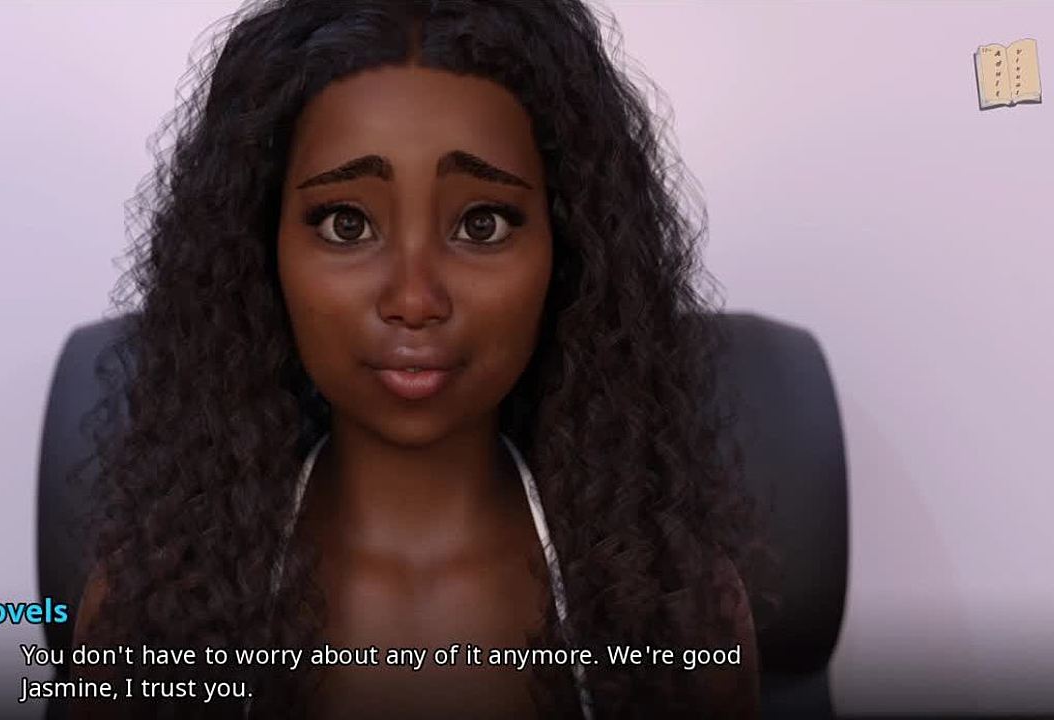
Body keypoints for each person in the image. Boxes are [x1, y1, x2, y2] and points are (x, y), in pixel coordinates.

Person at [69, 1, 775, 718]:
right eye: (346, 224)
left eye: (482, 224)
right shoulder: (146, 615)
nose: (414, 298)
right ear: (261, 251)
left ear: (569, 253)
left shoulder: (679, 615)